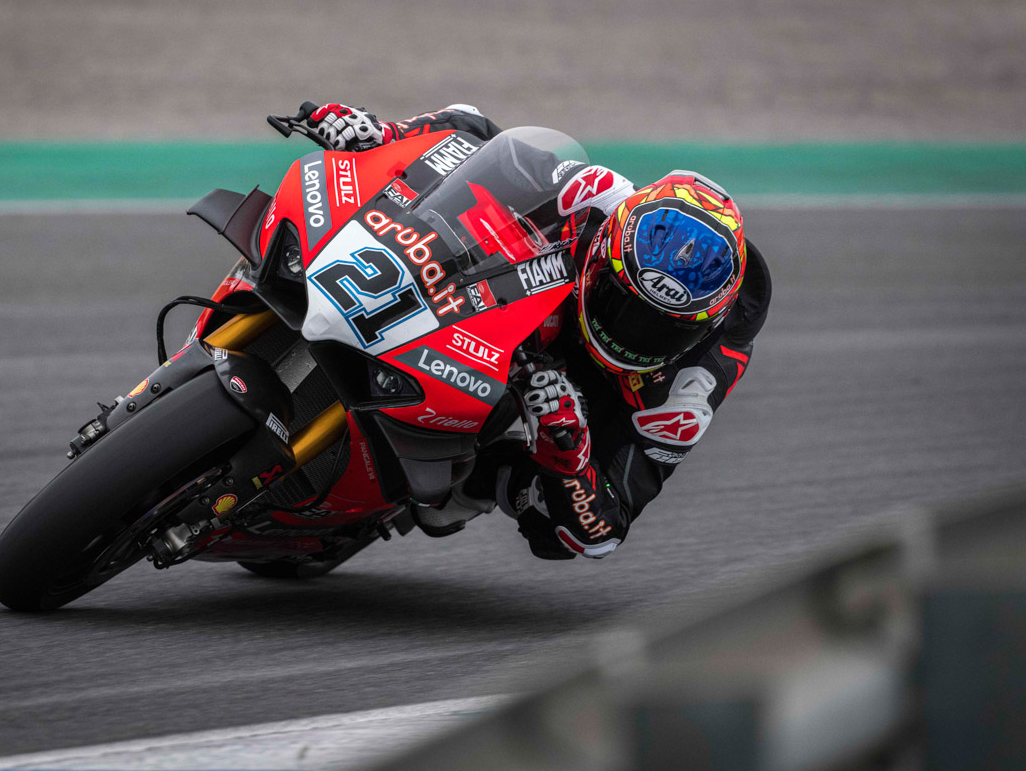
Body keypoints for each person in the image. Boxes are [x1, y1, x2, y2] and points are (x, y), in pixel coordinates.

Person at [304, 103, 772, 560]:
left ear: (706, 324)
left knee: (543, 531)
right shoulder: (599, 195)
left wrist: (570, 456)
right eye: (622, 304)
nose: (629, 333)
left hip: (591, 393)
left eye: (659, 329)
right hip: (524, 299)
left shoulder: (692, 385)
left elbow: (604, 531)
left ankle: (474, 485)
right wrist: (383, 134)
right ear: (606, 250)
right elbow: (473, 133)